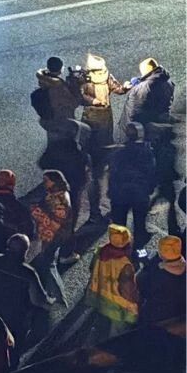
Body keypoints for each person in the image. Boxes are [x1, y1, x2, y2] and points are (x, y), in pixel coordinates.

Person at [0, 234, 52, 358]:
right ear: (25, 252)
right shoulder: (28, 273)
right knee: (11, 351)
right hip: (15, 321)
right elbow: (37, 300)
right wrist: (49, 302)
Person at [76, 54, 129, 222]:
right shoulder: (92, 77)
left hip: (100, 118)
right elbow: (79, 97)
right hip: (98, 118)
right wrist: (94, 100)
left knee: (98, 153)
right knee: (98, 164)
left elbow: (117, 89)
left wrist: (125, 88)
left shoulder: (98, 76)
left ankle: (94, 161)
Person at [37, 120, 90, 246]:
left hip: (54, 190)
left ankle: (48, 241)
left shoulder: (55, 147)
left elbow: (43, 163)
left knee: (51, 215)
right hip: (73, 189)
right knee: (70, 218)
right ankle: (66, 250)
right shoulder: (79, 152)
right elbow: (83, 171)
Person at [83, 224, 139, 336]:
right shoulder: (125, 264)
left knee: (101, 321)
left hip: (99, 295)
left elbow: (91, 268)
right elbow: (127, 290)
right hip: (117, 304)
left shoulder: (100, 251)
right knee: (117, 331)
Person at [108, 121, 157, 248]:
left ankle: (118, 251)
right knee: (139, 224)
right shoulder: (147, 152)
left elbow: (113, 172)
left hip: (120, 193)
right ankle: (139, 251)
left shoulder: (119, 152)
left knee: (119, 225)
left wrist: (111, 191)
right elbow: (151, 173)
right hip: (139, 194)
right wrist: (150, 188)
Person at [29, 170, 73, 306]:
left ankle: (59, 296)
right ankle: (51, 291)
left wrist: (36, 212)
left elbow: (56, 220)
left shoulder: (59, 198)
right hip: (52, 234)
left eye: (46, 180)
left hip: (53, 236)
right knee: (49, 262)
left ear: (54, 181)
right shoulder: (56, 193)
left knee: (49, 264)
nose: (44, 183)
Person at [117, 57, 176, 138]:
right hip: (160, 119)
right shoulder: (168, 82)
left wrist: (130, 131)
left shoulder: (142, 88)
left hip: (141, 129)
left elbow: (134, 112)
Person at [137, 235, 186, 326]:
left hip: (157, 320)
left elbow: (142, 288)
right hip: (181, 316)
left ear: (161, 253)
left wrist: (146, 267)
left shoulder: (154, 275)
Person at [33, 57, 83, 142]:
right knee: (66, 147)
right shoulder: (58, 86)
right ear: (61, 68)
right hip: (62, 122)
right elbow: (74, 103)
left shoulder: (45, 83)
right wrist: (77, 87)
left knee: (53, 145)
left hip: (50, 122)